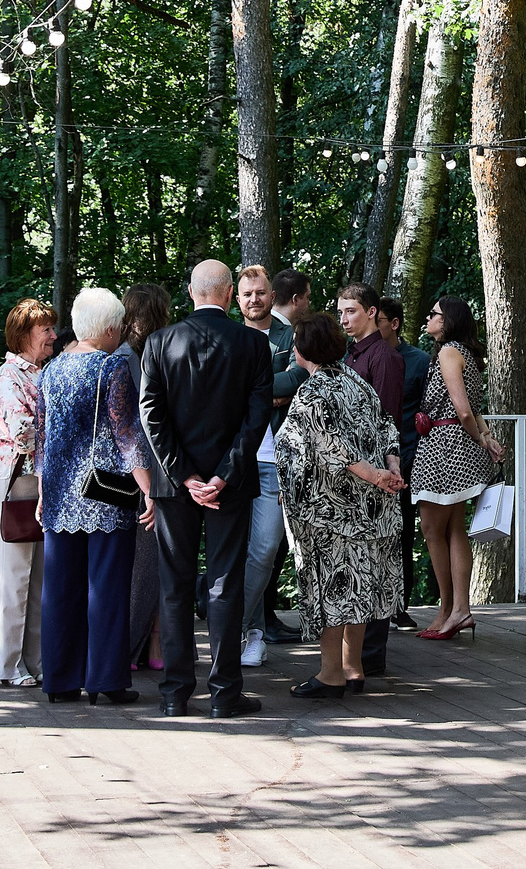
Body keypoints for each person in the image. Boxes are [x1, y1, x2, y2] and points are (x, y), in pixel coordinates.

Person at [138, 258, 274, 718]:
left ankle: (175, 693)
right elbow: (257, 419)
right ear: (228, 293)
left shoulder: (159, 343)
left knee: (174, 585)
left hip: (175, 487)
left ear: (192, 292)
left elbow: (150, 416)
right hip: (228, 487)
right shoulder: (252, 345)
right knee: (224, 582)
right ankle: (224, 693)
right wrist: (222, 475)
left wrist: (183, 475)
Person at [275, 315, 407, 699]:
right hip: (368, 510)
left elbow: (334, 449)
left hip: (330, 512)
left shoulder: (313, 392)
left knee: (332, 587)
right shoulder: (358, 383)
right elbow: (387, 428)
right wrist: (390, 468)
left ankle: (331, 672)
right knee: (359, 584)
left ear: (301, 350)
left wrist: (375, 475)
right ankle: (354, 667)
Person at [35, 286, 155, 704]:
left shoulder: (49, 371)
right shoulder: (111, 368)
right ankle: (105, 680)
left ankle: (60, 680)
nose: (121, 332)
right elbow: (126, 434)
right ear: (107, 329)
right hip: (107, 491)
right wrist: (148, 489)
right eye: (119, 326)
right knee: (106, 587)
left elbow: (42, 437)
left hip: (58, 493)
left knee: (61, 589)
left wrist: (41, 492)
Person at [410, 294, 504, 640]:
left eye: (433, 314)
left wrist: (480, 439)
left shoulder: (449, 353)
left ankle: (453, 608)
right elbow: (474, 410)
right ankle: (454, 610)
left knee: (433, 529)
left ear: (448, 320)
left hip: (445, 448)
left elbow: (463, 410)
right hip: (456, 447)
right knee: (453, 530)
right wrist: (486, 438)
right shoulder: (466, 355)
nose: (428, 320)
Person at [0, 298, 56, 687]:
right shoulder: (10, 375)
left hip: (40, 479)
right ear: (24, 334)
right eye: (45, 329)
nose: (53, 336)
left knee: (39, 576)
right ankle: (8, 666)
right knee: (14, 575)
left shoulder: (45, 373)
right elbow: (21, 430)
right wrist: (63, 437)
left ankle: (37, 663)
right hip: (15, 481)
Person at [338, 284, 407, 674]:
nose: (344, 319)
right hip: (355, 473)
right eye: (341, 312)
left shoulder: (383, 356)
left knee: (376, 564)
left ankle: (369, 656)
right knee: (358, 563)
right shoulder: (351, 353)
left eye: (351, 311)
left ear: (371, 312)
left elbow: (384, 420)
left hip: (376, 474)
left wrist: (382, 469)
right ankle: (356, 655)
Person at [234, 264, 291, 668]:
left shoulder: (291, 336)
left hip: (274, 458)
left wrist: (253, 391)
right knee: (235, 551)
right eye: (247, 293)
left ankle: (229, 623)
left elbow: (300, 379)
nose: (254, 298)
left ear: (272, 295)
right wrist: (268, 390)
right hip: (232, 458)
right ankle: (253, 632)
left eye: (261, 292)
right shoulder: (228, 336)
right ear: (237, 298)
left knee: (266, 547)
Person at [119, 283, 173, 675]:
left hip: (141, 471)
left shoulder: (129, 355)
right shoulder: (128, 360)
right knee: (145, 565)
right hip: (143, 474)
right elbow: (136, 427)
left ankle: (146, 643)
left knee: (149, 564)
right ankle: (132, 647)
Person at [384, 304, 431, 630]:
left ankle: (400, 606)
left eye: (379, 321)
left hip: (409, 459)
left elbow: (429, 411)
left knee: (402, 533)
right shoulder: (356, 357)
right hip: (366, 463)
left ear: (395, 323)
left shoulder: (419, 360)